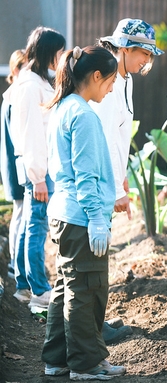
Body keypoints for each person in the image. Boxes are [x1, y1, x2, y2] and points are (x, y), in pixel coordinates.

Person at [40, 45, 126, 380]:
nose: (111, 88)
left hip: (63, 213)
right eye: (110, 81)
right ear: (95, 76)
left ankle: (58, 359)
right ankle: (86, 364)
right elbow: (86, 175)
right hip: (79, 217)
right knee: (86, 290)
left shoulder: (64, 107)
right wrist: (95, 220)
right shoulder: (84, 115)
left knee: (66, 288)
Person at [90, 17, 164, 345]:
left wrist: (123, 181)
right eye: (142, 53)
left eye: (149, 55)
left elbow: (121, 139)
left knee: (99, 258)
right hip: (97, 184)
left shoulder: (126, 80)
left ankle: (95, 321)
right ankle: (91, 328)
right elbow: (103, 142)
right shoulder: (106, 82)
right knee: (92, 261)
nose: (147, 60)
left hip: (111, 181)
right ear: (123, 48)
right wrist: (112, 186)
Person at [4, 27, 65, 309]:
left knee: (32, 226)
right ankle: (39, 289)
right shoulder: (29, 86)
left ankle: (25, 286)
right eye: (58, 51)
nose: (60, 56)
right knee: (36, 228)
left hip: (38, 169)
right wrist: (39, 177)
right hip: (37, 171)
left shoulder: (36, 80)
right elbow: (29, 135)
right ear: (47, 52)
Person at [1, 49, 27, 279]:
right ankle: (15, 266)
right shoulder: (14, 96)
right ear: (16, 69)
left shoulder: (11, 94)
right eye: (27, 67)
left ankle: (15, 264)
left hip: (12, 164)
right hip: (15, 164)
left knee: (19, 212)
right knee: (20, 213)